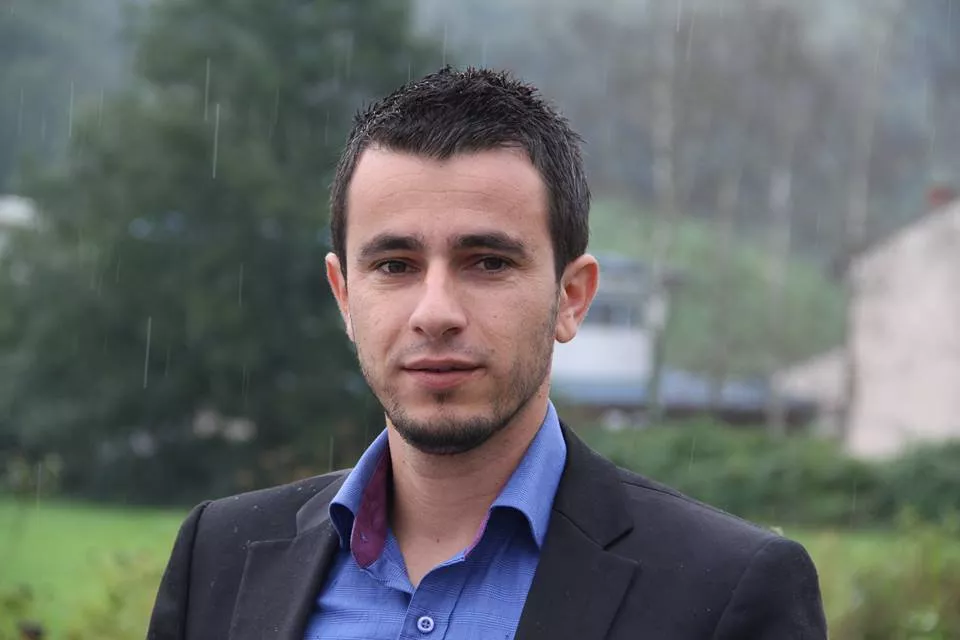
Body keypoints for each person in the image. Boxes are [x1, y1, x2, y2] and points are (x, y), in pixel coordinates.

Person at [147, 67, 827, 640]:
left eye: (488, 262)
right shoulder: (220, 557)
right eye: (394, 265)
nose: (435, 312)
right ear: (344, 295)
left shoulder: (725, 590)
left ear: (571, 298)